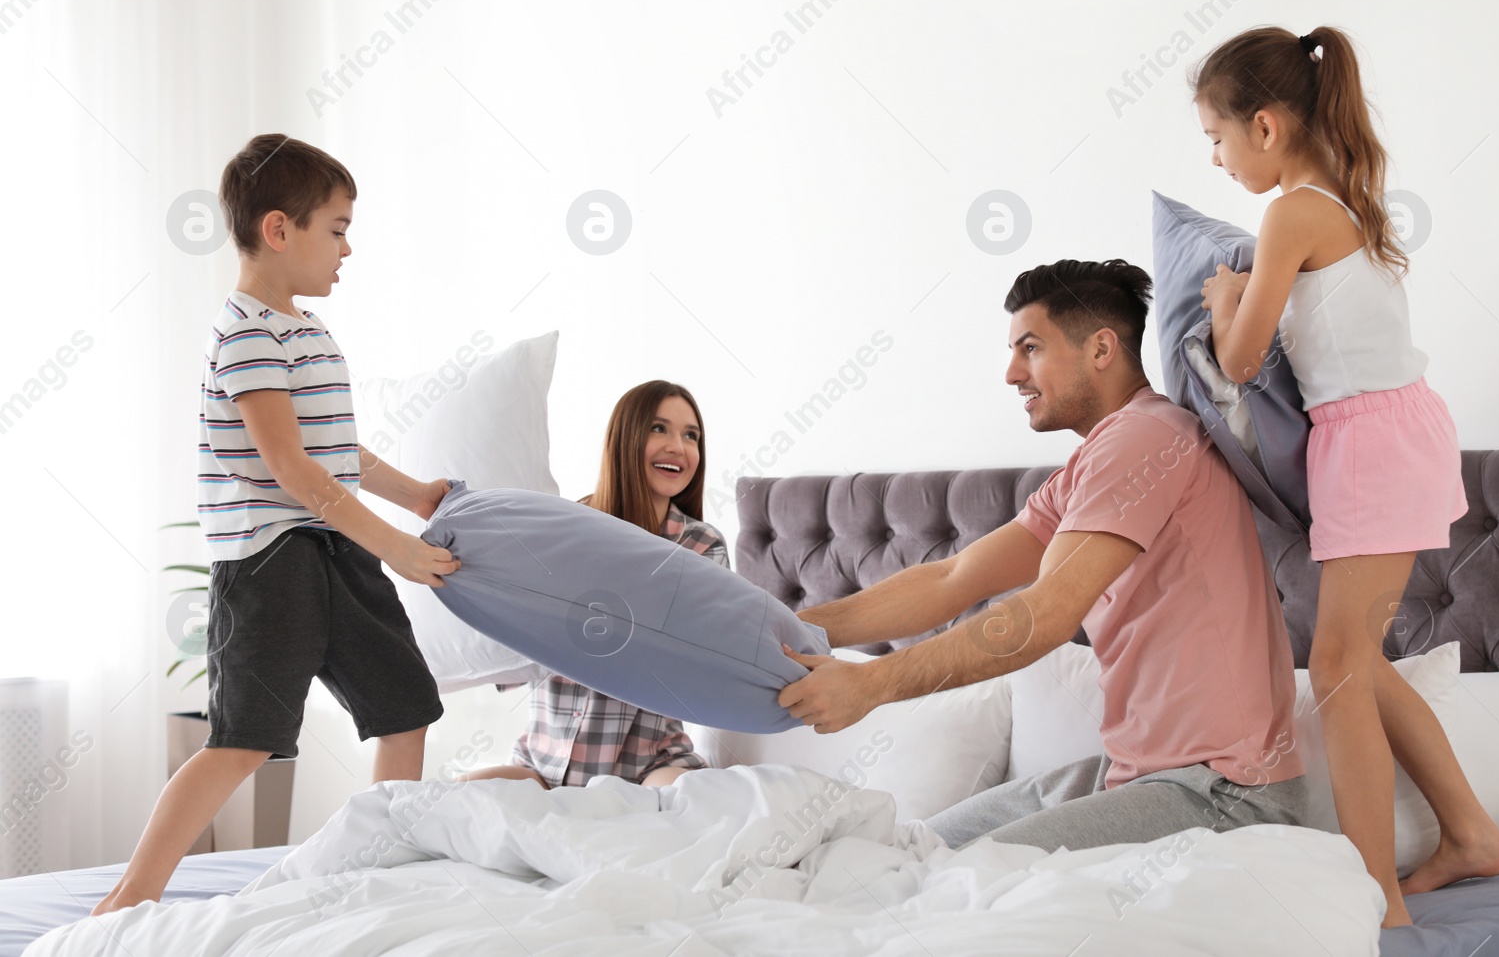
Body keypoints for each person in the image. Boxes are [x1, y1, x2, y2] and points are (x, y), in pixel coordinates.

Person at [779, 259, 1307, 855]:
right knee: (903, 854)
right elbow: (954, 578)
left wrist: (871, 683)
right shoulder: (1094, 463)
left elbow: (1044, 616)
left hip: (1222, 795)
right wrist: (792, 629)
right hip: (1138, 779)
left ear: (1102, 348)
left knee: (939, 879)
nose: (1011, 373)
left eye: (1029, 348)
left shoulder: (1146, 440)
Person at [1190, 25, 1499, 926]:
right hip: (1387, 431)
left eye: (1216, 138)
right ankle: (1473, 833)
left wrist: (1223, 301)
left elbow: (1242, 359)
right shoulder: (1343, 196)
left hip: (1371, 441)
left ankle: (1376, 903)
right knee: (1355, 660)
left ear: (1263, 126)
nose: (1214, 159)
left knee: (1334, 663)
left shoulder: (1292, 212)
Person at [94, 135, 458, 915]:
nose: (348, 248)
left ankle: (378, 872)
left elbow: (336, 451)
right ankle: (129, 897)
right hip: (272, 563)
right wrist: (394, 544)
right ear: (278, 230)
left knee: (406, 708)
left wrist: (415, 495)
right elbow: (291, 468)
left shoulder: (308, 331)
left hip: (336, 549)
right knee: (245, 736)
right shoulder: (246, 333)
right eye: (336, 228)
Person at [457, 380, 725, 789]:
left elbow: (701, 660)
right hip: (542, 765)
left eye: (692, 436)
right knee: (450, 800)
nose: (679, 446)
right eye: (659, 429)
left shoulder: (702, 546)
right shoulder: (565, 525)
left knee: (684, 802)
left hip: (649, 764)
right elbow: (515, 647)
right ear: (625, 438)